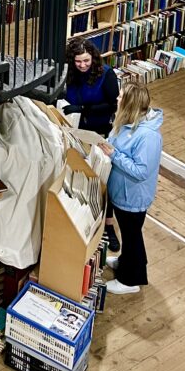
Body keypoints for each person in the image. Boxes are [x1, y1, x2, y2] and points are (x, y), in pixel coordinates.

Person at [100, 84, 163, 295]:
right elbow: (113, 142)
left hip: (133, 197)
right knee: (130, 235)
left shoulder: (148, 136)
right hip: (121, 192)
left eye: (121, 97)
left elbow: (141, 171)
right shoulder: (126, 123)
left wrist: (114, 154)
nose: (117, 99)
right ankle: (125, 262)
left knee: (132, 236)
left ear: (130, 104)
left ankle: (130, 280)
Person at [63, 38, 120, 251]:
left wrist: (84, 109)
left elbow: (113, 105)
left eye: (86, 60)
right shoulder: (69, 74)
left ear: (93, 58)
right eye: (78, 61)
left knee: (105, 180)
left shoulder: (106, 74)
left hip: (100, 133)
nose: (83, 65)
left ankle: (109, 225)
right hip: (74, 134)